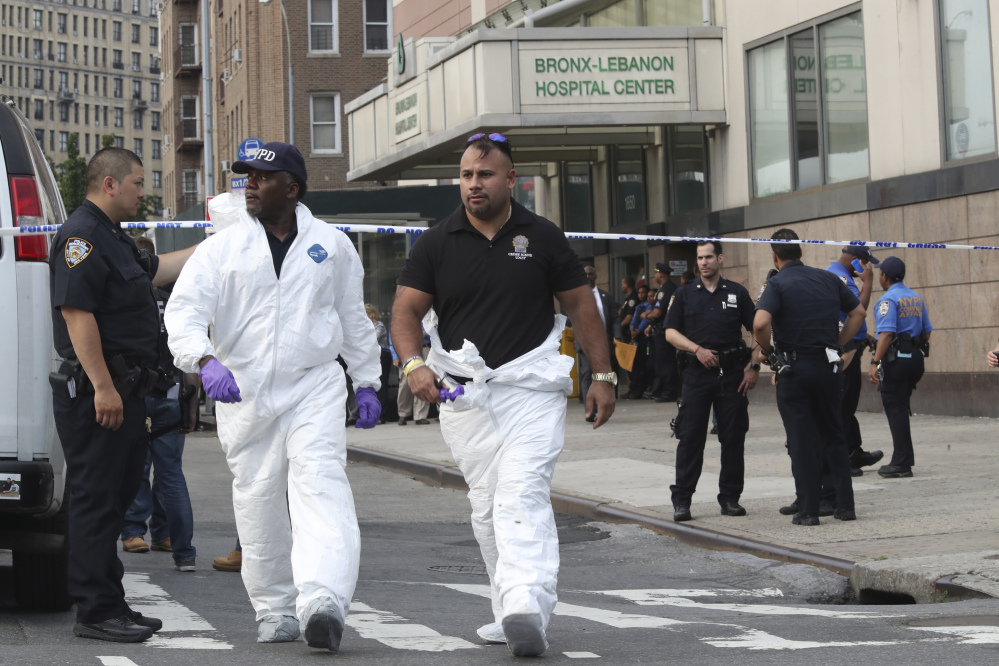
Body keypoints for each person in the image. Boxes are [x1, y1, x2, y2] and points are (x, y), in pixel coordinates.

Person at [391, 132, 615, 657]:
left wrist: (602, 376)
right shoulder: (437, 241)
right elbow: (403, 312)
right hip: (463, 396)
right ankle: (508, 608)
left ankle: (526, 603)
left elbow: (582, 307)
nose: (474, 184)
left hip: (531, 388)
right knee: (486, 505)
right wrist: (413, 364)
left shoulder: (541, 235)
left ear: (510, 180)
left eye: (485, 174)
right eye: (467, 175)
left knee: (522, 491)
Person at [164, 141, 382, 652]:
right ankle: (275, 608)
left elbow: (352, 317)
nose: (250, 186)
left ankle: (323, 599)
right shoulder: (222, 248)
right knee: (258, 499)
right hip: (245, 391)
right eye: (246, 177)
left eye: (262, 178)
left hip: (314, 384)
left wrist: (367, 379)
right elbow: (184, 311)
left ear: (292, 187)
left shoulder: (331, 244)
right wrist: (204, 360)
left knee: (320, 483)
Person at [49, 148, 198, 642]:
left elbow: (156, 270)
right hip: (102, 393)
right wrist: (104, 388)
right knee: (95, 502)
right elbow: (77, 315)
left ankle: (111, 603)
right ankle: (94, 611)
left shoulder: (112, 238)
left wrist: (219, 245)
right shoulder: (82, 236)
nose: (142, 190)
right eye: (137, 182)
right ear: (110, 184)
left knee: (114, 503)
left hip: (128, 392)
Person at [753, 229, 865, 525]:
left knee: (802, 440)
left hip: (794, 370)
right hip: (829, 368)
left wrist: (769, 350)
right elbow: (859, 313)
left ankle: (809, 511)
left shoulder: (776, 284)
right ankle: (845, 507)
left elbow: (760, 323)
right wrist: (839, 344)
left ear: (774, 256)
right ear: (801, 251)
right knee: (833, 433)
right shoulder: (828, 279)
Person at [665, 241, 762, 521]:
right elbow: (670, 332)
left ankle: (730, 499)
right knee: (690, 439)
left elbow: (759, 329)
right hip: (696, 375)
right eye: (700, 258)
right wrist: (696, 349)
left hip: (731, 375)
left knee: (733, 438)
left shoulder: (737, 293)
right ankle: (682, 501)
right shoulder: (684, 294)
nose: (704, 262)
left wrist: (754, 366)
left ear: (720, 259)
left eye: (709, 257)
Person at [120, 237, 199, 572]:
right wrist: (191, 404)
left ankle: (133, 531)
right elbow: (189, 353)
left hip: (137, 391)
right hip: (170, 391)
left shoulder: (125, 300)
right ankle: (180, 549)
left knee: (138, 468)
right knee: (171, 475)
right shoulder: (175, 301)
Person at [867, 256, 932, 479]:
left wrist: (875, 362)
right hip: (915, 359)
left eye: (880, 273)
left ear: (884, 276)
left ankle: (902, 463)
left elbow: (885, 334)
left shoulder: (887, 300)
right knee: (901, 408)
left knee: (895, 410)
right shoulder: (916, 298)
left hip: (897, 361)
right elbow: (927, 331)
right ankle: (903, 459)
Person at [826, 247, 883, 476]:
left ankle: (853, 451)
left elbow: (844, 316)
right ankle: (844, 459)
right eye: (864, 261)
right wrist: (868, 283)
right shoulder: (840, 277)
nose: (867, 267)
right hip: (844, 352)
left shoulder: (842, 275)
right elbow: (858, 311)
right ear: (853, 259)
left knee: (848, 405)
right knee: (842, 406)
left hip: (851, 346)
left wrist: (862, 336)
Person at [575, 266, 621, 421]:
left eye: (590, 273)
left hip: (604, 343)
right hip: (585, 342)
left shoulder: (606, 296)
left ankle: (603, 406)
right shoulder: (577, 296)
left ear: (596, 275)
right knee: (588, 373)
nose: (588, 276)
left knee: (603, 374)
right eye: (585, 274)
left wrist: (618, 337)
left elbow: (614, 319)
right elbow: (569, 318)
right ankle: (590, 410)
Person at [646, 264, 680, 402]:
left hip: (664, 332)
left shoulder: (665, 290)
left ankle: (668, 392)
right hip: (665, 330)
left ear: (661, 274)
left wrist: (646, 315)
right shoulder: (671, 288)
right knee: (663, 363)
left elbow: (657, 312)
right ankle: (662, 390)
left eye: (656, 274)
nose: (655, 276)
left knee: (665, 363)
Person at [622, 285, 650, 399]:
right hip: (635, 337)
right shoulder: (638, 306)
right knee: (633, 365)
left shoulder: (649, 307)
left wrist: (637, 332)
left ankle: (640, 389)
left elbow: (644, 321)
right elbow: (633, 320)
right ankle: (634, 388)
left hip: (643, 337)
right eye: (639, 293)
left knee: (641, 365)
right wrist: (632, 330)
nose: (641, 295)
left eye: (643, 293)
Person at [366, 304, 392, 423]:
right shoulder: (365, 327)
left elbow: (372, 340)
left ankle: (382, 415)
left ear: (371, 314)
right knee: (373, 386)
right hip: (371, 357)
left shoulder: (379, 325)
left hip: (381, 356)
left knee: (381, 385)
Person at [619, 276, 638, 344]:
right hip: (625, 332)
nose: (621, 287)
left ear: (626, 285)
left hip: (630, 333)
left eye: (622, 284)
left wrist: (618, 326)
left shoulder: (633, 298)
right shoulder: (628, 298)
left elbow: (629, 317)